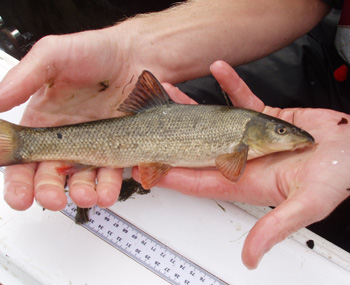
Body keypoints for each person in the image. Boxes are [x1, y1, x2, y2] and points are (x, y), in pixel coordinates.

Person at [0, 0, 348, 269]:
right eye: (280, 131)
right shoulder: (241, 144)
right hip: (328, 58)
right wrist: (132, 48)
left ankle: (28, 144)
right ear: (255, 133)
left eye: (282, 131)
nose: (286, 137)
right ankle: (22, 143)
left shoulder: (248, 143)